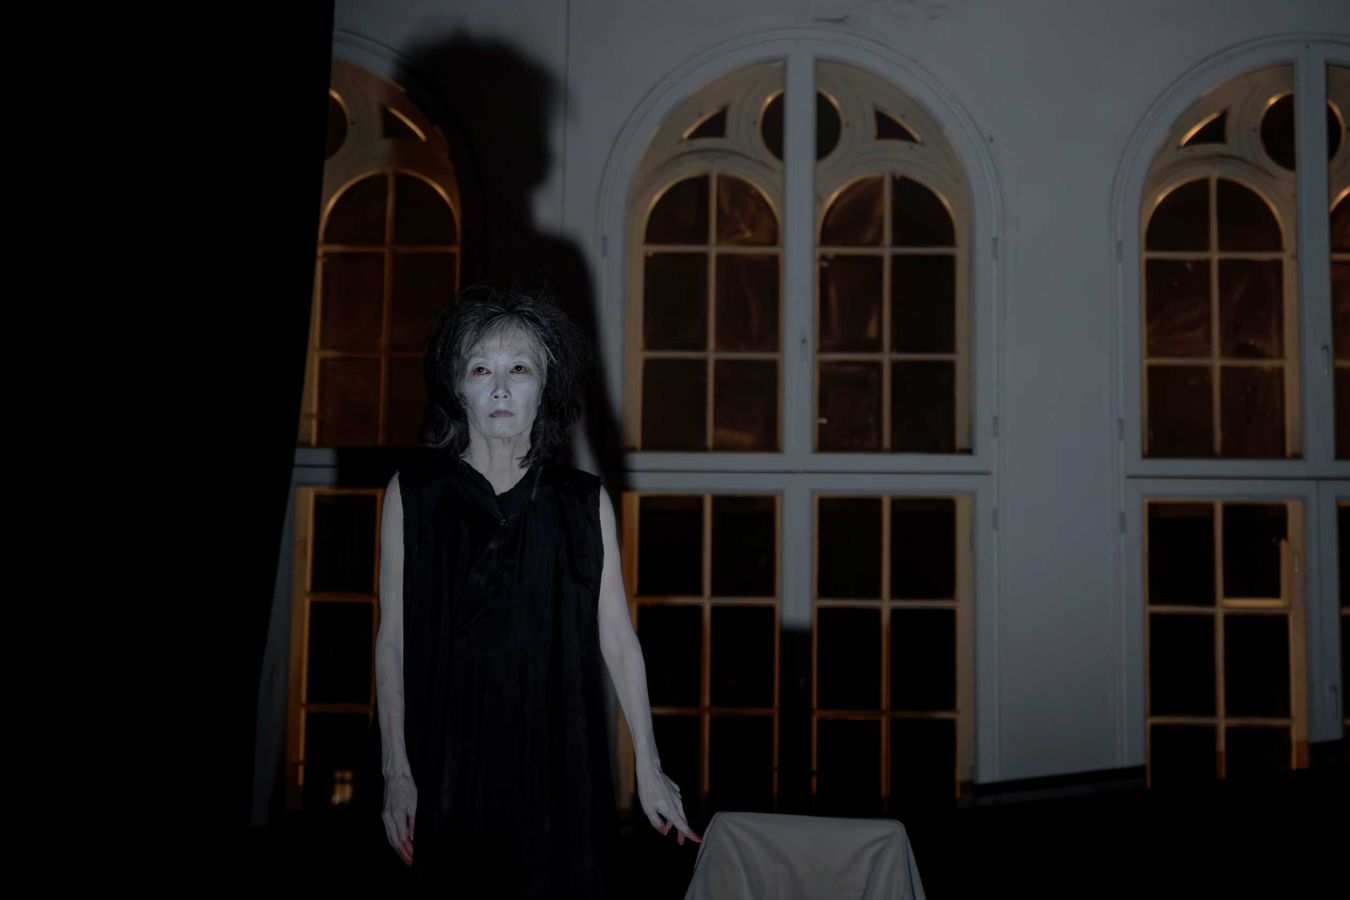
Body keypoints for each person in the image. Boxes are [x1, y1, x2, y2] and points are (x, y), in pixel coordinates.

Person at [375, 284, 699, 896]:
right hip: (445, 771)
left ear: (544, 385)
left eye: (519, 369)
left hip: (559, 771)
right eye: (481, 369)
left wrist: (650, 767)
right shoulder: (412, 496)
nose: (500, 388)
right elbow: (391, 641)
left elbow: (618, 638)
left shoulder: (582, 500)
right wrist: (396, 771)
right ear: (458, 387)